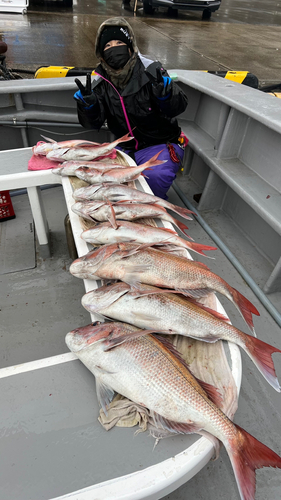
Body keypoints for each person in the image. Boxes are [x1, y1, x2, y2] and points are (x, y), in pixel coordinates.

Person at [74, 17, 188, 199]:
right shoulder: (99, 82)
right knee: (97, 182)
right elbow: (92, 124)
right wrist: (89, 106)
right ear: (102, 53)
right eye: (108, 46)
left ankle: (150, 208)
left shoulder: (151, 71)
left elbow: (177, 107)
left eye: (119, 42)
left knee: (155, 177)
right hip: (125, 149)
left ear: (130, 47)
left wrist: (166, 94)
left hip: (159, 144)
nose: (114, 48)